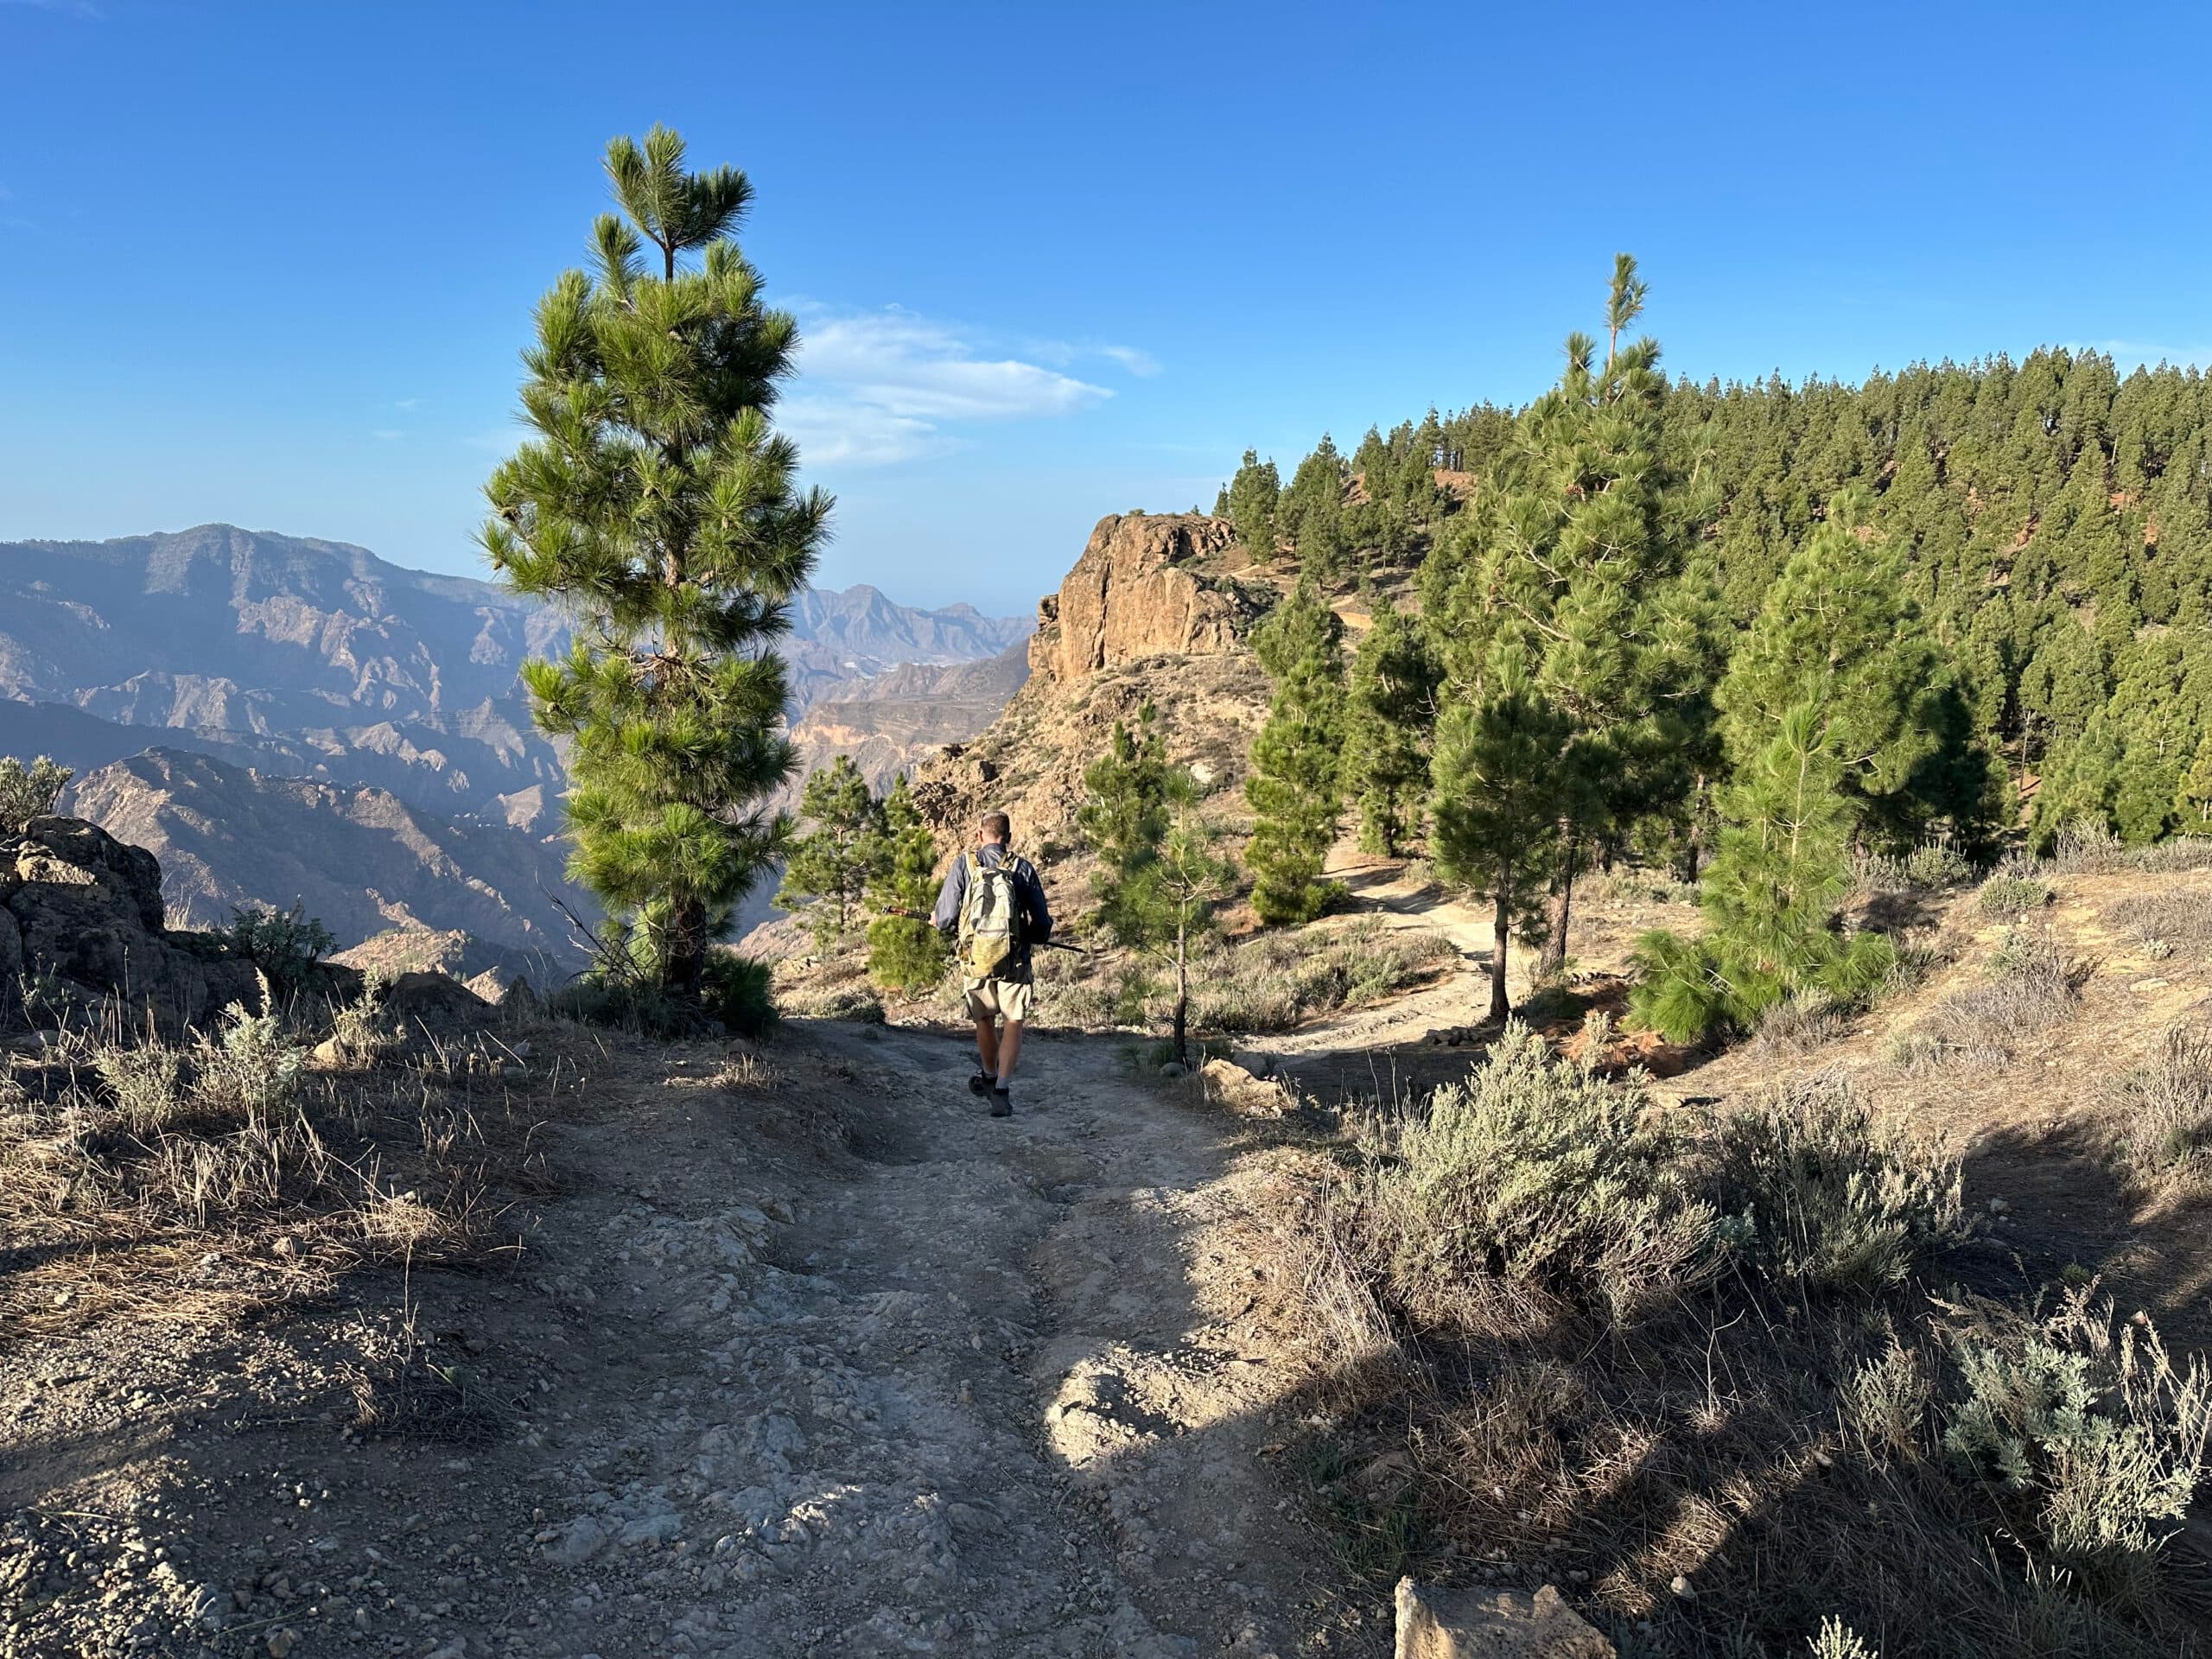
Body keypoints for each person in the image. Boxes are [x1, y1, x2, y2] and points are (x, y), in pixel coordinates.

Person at [933, 810, 1052, 1117]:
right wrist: (1031, 936)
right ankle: (1001, 1088)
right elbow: (1042, 923)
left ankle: (987, 1073)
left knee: (984, 1018)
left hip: (976, 959)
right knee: (1013, 1020)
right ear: (1008, 839)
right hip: (1015, 959)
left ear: (979, 836)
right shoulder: (1021, 868)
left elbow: (945, 918)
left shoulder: (965, 865)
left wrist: (940, 922)